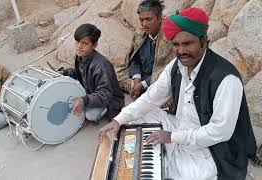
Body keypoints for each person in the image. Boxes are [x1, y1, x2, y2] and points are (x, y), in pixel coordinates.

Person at [100, 7, 257, 180]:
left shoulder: (226, 79)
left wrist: (172, 137)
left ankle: (160, 159)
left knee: (193, 175)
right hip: (179, 125)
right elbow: (151, 97)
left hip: (212, 148)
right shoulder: (177, 65)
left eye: (188, 43)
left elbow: (220, 131)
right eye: (176, 44)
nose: (181, 50)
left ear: (205, 41)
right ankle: (154, 156)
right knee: (135, 117)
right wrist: (118, 119)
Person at [63, 23, 124, 122]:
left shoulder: (102, 65)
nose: (79, 46)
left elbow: (105, 94)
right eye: (77, 42)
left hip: (110, 100)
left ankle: (105, 110)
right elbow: (82, 74)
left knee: (91, 115)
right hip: (92, 93)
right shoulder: (80, 57)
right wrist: (68, 73)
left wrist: (84, 100)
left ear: (94, 45)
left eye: (84, 43)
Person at [120, 0, 164, 98]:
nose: (144, 24)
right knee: (115, 76)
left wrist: (143, 84)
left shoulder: (167, 37)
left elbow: (165, 70)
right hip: (141, 77)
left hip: (158, 81)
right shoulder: (140, 33)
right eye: (141, 20)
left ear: (159, 18)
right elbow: (135, 60)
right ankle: (138, 90)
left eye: (148, 19)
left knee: (164, 98)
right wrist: (136, 79)